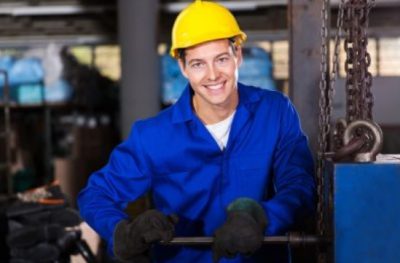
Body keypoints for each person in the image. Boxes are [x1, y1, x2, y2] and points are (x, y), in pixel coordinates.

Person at [77, 0, 316, 262]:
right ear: (182, 67)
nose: (213, 75)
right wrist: (122, 231)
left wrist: (264, 217)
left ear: (238, 55)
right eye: (198, 64)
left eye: (221, 59)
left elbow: (299, 185)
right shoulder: (153, 136)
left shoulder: (274, 112)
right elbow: (95, 195)